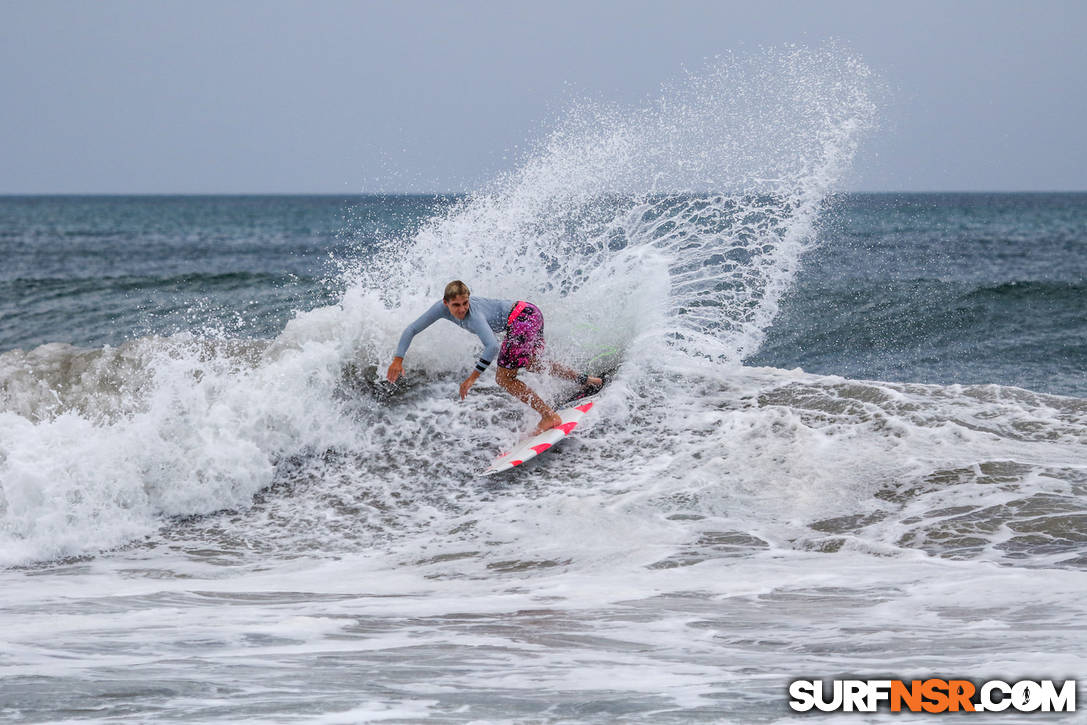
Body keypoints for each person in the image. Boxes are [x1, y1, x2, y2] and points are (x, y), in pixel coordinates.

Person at [386, 280, 603, 434]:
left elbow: (491, 347)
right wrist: (398, 358)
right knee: (533, 363)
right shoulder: (439, 309)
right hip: (530, 312)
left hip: (522, 320)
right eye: (456, 305)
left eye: (465, 303)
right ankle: (588, 381)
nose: (462, 309)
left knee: (504, 378)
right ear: (446, 303)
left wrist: (472, 378)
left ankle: (548, 416)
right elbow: (412, 329)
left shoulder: (474, 316)